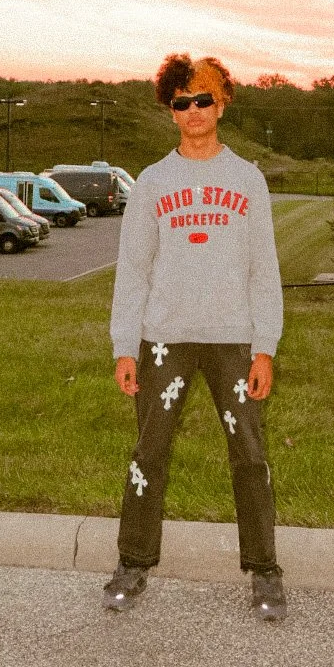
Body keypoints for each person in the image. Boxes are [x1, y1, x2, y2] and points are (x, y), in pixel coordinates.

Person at [103, 52, 287, 621]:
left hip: (233, 339)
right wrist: (124, 346)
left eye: (203, 99)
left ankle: (264, 571)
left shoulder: (246, 179)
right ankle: (133, 563)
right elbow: (132, 270)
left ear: (223, 100)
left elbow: (264, 269)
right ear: (171, 111)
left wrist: (265, 347)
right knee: (149, 452)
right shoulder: (155, 183)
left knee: (248, 454)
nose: (193, 111)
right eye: (181, 103)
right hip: (165, 339)